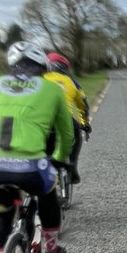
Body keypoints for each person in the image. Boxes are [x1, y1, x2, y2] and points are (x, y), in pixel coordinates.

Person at [0, 42, 73, 253]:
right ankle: (51, 250)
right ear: (43, 68)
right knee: (48, 195)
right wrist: (59, 158)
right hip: (30, 167)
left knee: (1, 210)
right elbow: (67, 134)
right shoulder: (52, 90)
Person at [45, 52, 90, 184]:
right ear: (64, 68)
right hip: (65, 120)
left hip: (43, 120)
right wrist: (85, 124)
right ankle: (72, 168)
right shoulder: (72, 82)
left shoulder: (40, 79)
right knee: (76, 136)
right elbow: (84, 106)